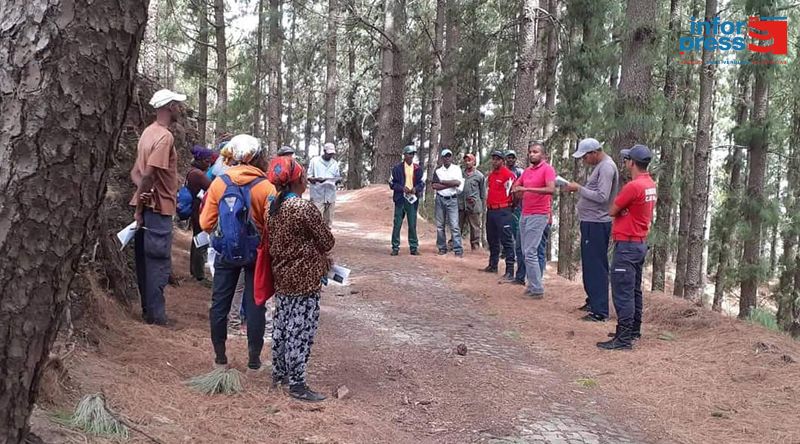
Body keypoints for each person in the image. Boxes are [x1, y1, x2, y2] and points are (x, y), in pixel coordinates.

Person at [200, 134, 277, 371]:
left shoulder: (219, 183)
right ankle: (254, 360)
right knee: (256, 304)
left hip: (225, 252)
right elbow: (272, 225)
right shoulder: (267, 186)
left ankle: (220, 358)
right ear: (257, 157)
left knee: (220, 303)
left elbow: (205, 223)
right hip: (256, 254)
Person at [267, 156, 335, 402]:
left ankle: (279, 374)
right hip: (304, 279)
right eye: (304, 176)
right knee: (300, 329)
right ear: (297, 180)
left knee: (282, 326)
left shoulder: (273, 207)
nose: (306, 180)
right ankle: (297, 383)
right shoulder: (303, 208)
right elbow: (327, 241)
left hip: (282, 277)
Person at [130, 89, 186, 326]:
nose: (180, 109)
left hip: (146, 205)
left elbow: (136, 173)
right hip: (158, 209)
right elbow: (149, 174)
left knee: (144, 260)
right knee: (157, 262)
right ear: (170, 106)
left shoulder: (146, 134)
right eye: (177, 105)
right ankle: (156, 317)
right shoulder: (164, 137)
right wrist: (144, 199)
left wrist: (142, 195)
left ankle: (148, 311)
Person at [597, 144, 657, 350]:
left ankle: (623, 339)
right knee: (633, 290)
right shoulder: (650, 184)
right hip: (639, 244)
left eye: (626, 159)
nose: (624, 162)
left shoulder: (633, 187)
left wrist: (621, 211)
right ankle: (633, 330)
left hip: (628, 245)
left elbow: (613, 209)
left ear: (632, 162)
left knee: (623, 292)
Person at [565, 138, 620, 322]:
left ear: (594, 153)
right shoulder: (601, 166)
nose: (584, 161)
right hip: (590, 221)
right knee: (590, 264)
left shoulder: (606, 167)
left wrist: (579, 188)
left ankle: (600, 310)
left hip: (597, 223)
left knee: (596, 266)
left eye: (584, 157)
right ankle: (593, 301)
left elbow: (602, 197)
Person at [511, 142, 555, 298]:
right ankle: (532, 285)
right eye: (530, 152)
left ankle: (537, 289)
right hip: (525, 213)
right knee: (524, 251)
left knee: (530, 251)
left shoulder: (547, 169)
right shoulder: (528, 171)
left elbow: (551, 189)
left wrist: (527, 189)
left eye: (535, 152)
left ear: (542, 155)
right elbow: (518, 184)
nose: (532, 154)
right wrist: (516, 188)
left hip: (539, 214)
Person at [483, 151, 516, 275]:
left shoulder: (509, 175)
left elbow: (514, 194)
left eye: (498, 159)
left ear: (503, 161)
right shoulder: (491, 176)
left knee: (506, 240)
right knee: (492, 239)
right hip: (491, 210)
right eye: (493, 159)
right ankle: (493, 265)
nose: (495, 161)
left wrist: (510, 208)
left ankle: (509, 270)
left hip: (503, 211)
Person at [390, 145, 425, 256]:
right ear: (404, 155)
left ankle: (413, 247)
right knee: (397, 223)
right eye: (409, 154)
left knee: (412, 223)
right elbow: (391, 183)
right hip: (400, 199)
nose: (411, 156)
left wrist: (416, 189)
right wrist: (401, 188)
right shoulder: (396, 168)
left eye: (413, 154)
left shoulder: (418, 169)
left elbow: (422, 183)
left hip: (412, 200)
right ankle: (395, 247)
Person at [187, 145, 214, 281]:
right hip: (199, 210)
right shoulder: (197, 174)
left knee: (196, 239)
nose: (208, 164)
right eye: (207, 161)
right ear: (200, 160)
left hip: (196, 209)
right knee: (200, 240)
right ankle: (199, 275)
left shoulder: (192, 172)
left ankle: (195, 271)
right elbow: (213, 188)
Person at [432, 148, 465, 257]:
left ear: (451, 157)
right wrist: (450, 184)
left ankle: (458, 250)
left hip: (452, 199)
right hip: (440, 199)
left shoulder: (456, 169)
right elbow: (434, 186)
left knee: (454, 225)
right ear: (442, 158)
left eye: (449, 156)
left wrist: (442, 182)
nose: (447, 158)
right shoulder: (438, 171)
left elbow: (458, 182)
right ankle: (442, 248)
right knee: (440, 225)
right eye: (445, 156)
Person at [504, 150, 526, 284]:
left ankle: (518, 265)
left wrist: (516, 203)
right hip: (504, 205)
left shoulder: (520, 172)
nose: (510, 160)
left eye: (513, 158)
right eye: (508, 157)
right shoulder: (503, 171)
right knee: (507, 233)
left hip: (517, 207)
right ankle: (507, 256)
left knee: (517, 233)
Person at [308, 142, 341, 227]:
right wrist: (317, 179)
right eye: (329, 154)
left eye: (332, 154)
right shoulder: (314, 161)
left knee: (328, 222)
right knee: (316, 221)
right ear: (324, 151)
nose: (330, 156)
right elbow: (309, 177)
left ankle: (327, 239)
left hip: (330, 195)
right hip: (317, 196)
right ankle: (316, 239)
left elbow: (337, 177)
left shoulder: (335, 163)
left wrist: (337, 180)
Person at [458, 153, 486, 251]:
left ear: (474, 162)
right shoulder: (460, 173)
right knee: (457, 225)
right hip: (461, 203)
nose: (467, 162)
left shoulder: (479, 176)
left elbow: (482, 193)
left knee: (475, 227)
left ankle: (475, 247)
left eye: (469, 160)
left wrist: (482, 206)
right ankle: (454, 244)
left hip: (474, 205)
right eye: (465, 160)